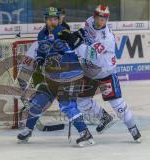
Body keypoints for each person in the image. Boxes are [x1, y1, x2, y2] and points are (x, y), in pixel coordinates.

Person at [59, 5, 142, 143]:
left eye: (103, 19)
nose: (99, 22)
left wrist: (74, 42)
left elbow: (90, 54)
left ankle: (132, 127)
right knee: (81, 100)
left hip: (105, 71)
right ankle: (104, 117)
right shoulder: (90, 21)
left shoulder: (107, 37)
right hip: (89, 71)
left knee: (117, 105)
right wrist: (73, 36)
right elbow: (83, 34)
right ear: (94, 16)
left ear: (107, 20)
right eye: (98, 18)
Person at [17, 7, 95, 147]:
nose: (52, 21)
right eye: (49, 19)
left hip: (70, 75)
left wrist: (73, 39)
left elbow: (74, 43)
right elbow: (41, 51)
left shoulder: (63, 31)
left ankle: (85, 133)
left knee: (67, 106)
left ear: (58, 19)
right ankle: (28, 130)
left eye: (54, 19)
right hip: (51, 76)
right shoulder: (41, 35)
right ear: (45, 20)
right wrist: (40, 59)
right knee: (37, 102)